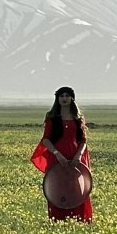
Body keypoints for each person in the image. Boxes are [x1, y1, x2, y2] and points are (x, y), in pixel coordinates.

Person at [31, 86, 92, 222]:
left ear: (72, 98)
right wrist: (57, 154)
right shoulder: (52, 118)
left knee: (76, 187)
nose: (64, 98)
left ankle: (79, 219)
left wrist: (78, 156)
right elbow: (46, 139)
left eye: (67, 96)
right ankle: (58, 220)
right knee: (58, 187)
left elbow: (83, 140)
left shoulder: (78, 118)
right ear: (57, 99)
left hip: (75, 157)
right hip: (57, 158)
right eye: (61, 96)